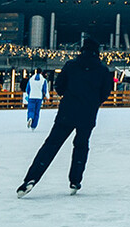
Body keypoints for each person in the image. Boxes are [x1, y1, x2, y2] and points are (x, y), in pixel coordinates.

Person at [17, 43, 115, 196]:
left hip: (67, 112)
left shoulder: (71, 65)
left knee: (51, 144)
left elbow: (59, 86)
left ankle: (31, 179)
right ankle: (75, 180)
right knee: (81, 146)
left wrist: (69, 96)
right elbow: (105, 92)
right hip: (87, 114)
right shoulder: (102, 70)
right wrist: (93, 102)